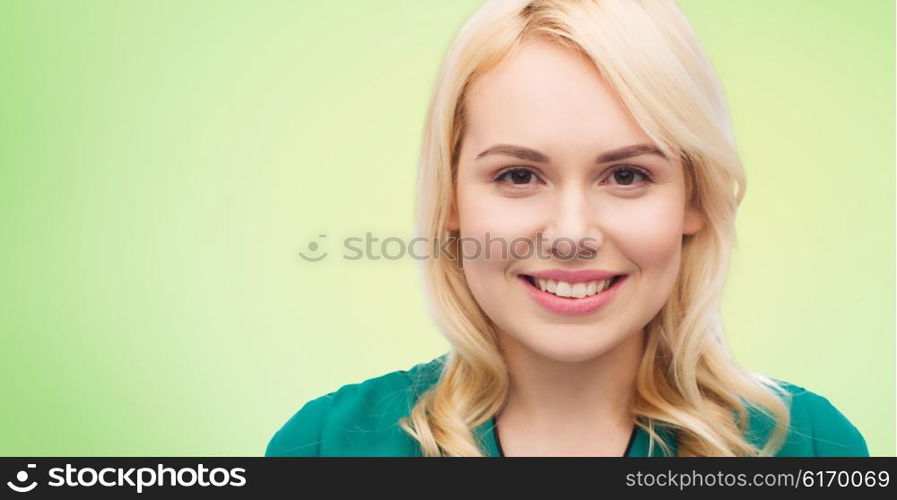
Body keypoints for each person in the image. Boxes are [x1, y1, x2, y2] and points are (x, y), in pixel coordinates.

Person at [265, 0, 869, 457]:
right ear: (451, 199)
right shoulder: (322, 447)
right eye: (520, 175)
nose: (571, 235)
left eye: (628, 175)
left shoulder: (809, 447)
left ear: (694, 199)